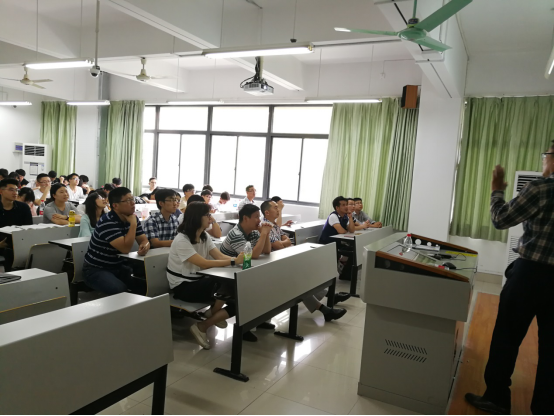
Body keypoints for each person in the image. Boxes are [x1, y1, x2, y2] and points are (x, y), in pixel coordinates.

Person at [465, 145, 554, 416]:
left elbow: (501, 219)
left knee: (507, 336)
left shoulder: (541, 189)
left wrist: (496, 190)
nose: (544, 160)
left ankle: (497, 399)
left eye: (547, 155)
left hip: (531, 275)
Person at [167, 202, 245, 350]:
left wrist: (237, 262)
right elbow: (204, 263)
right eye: (207, 215)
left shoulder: (204, 236)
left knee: (241, 298)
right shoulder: (181, 240)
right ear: (197, 217)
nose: (211, 218)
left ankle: (205, 322)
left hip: (200, 282)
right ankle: (212, 314)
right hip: (183, 287)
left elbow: (219, 256)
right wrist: (234, 261)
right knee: (231, 286)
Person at [261, 200, 349, 320]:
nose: (278, 210)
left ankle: (327, 303)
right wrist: (284, 243)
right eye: (275, 208)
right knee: (299, 281)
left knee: (303, 278)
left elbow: (287, 240)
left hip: (282, 259)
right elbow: (279, 245)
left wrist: (284, 243)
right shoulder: (265, 225)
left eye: (278, 207)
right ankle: (326, 305)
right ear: (267, 212)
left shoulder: (274, 225)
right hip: (271, 264)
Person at [82, 187, 150, 295]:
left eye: (132, 199)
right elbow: (125, 249)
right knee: (120, 290)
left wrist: (145, 246)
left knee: (145, 285)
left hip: (120, 266)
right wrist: (133, 225)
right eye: (128, 200)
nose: (133, 203)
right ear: (115, 205)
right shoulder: (107, 221)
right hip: (96, 269)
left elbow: (144, 240)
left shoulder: (133, 218)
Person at [220, 204, 273, 342]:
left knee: (265, 285)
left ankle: (258, 320)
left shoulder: (253, 232)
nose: (259, 220)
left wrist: (266, 234)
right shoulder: (236, 234)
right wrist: (263, 234)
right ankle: (244, 328)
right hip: (226, 276)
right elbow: (253, 255)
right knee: (252, 291)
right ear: (245, 218)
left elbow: (267, 250)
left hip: (240, 271)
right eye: (256, 217)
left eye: (259, 217)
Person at [0, 179, 33, 271]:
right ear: (1, 191)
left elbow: (29, 228)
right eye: (11, 190)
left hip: (19, 243)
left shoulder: (23, 207)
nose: (15, 193)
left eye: (16, 190)